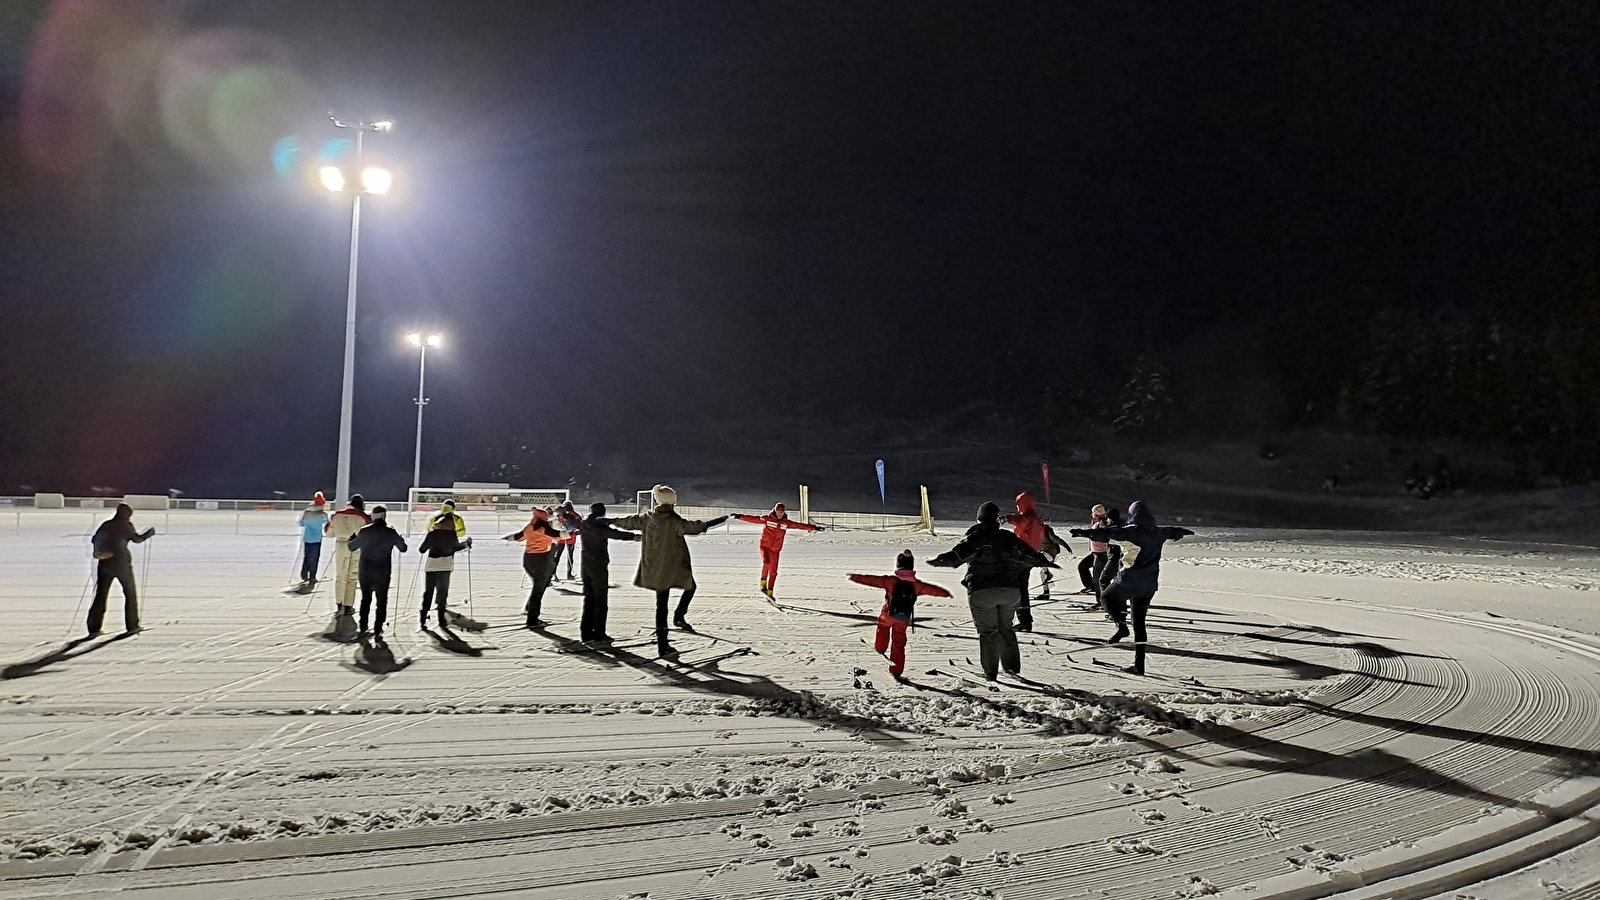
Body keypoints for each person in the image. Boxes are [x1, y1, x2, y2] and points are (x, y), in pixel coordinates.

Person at [930, 502, 1057, 680]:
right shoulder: (1008, 537)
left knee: (988, 631)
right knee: (1006, 627)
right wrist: (1045, 562)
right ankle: (1011, 667)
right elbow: (1028, 555)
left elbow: (957, 556)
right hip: (1010, 590)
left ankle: (990, 672)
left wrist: (938, 561)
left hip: (982, 591)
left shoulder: (975, 537)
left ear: (979, 519)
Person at [1070, 500, 1193, 675]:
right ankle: (1139, 665)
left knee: (1106, 598)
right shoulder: (1158, 531)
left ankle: (1121, 626)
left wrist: (1085, 533)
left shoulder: (1131, 531)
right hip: (1149, 585)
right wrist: (1183, 531)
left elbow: (1107, 534)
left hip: (1128, 580)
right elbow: (1173, 531)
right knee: (1139, 625)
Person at [610, 484, 728, 656]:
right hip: (672, 565)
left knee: (663, 603)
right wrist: (710, 523)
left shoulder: (647, 518)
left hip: (654, 566)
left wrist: (610, 521)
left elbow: (628, 522)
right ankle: (666, 639)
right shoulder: (673, 521)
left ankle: (670, 631)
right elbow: (692, 528)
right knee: (685, 590)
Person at [848, 550, 951, 680]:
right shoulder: (917, 585)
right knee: (899, 641)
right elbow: (933, 590)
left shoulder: (890, 581)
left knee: (883, 627)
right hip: (904, 618)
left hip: (888, 615)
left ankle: (880, 647)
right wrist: (946, 593)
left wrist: (855, 577)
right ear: (912, 567)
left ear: (898, 566)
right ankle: (896, 670)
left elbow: (872, 580)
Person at [577, 502, 642, 643]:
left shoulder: (584, 524)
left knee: (589, 598)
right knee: (600, 600)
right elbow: (615, 534)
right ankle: (599, 633)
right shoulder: (599, 527)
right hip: (598, 565)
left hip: (586, 564)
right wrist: (635, 537)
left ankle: (586, 632)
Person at [86, 503, 154, 636]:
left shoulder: (106, 525)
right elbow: (136, 539)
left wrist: (100, 552)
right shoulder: (126, 525)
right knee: (129, 594)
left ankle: (93, 628)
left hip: (104, 564)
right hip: (121, 564)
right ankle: (132, 625)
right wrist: (149, 534)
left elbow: (94, 539)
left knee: (100, 596)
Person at [1002, 492, 1067, 629]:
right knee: (1021, 588)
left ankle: (1020, 619)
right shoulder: (1035, 518)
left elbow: (1021, 521)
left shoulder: (1028, 517)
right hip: (1029, 556)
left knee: (1017, 588)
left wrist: (1007, 518)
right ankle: (1024, 619)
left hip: (1020, 557)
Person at [733, 502, 822, 598]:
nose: (780, 514)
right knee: (766, 563)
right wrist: (739, 516)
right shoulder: (767, 519)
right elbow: (754, 519)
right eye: (778, 511)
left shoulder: (786, 523)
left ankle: (770, 593)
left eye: (782, 512)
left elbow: (799, 525)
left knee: (773, 571)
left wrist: (814, 527)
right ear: (775, 511)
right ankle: (763, 583)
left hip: (776, 550)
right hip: (765, 547)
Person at [348, 505, 407, 637]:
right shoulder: (391, 532)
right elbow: (403, 549)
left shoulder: (364, 531)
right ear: (385, 516)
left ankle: (363, 626)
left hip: (365, 570)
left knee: (365, 599)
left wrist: (352, 538)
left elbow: (351, 547)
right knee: (381, 600)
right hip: (383, 571)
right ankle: (378, 628)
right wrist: (400, 539)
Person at [502, 508, 562, 629]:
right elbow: (558, 536)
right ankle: (532, 618)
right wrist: (574, 533)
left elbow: (518, 537)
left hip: (528, 561)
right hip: (541, 561)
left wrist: (507, 537)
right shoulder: (543, 528)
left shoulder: (529, 527)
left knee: (538, 586)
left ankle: (530, 608)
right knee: (538, 589)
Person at [325, 494, 371, 630]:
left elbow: (328, 533)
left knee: (340, 576)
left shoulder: (337, 515)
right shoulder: (363, 517)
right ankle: (348, 605)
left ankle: (339, 603)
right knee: (352, 577)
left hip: (340, 544)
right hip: (356, 546)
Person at [418, 515, 472, 629]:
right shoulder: (452, 535)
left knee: (428, 592)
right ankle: (441, 619)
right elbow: (456, 547)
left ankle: (422, 618)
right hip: (445, 567)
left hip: (431, 566)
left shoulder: (432, 534)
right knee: (442, 593)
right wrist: (466, 543)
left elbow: (422, 549)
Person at [1076, 504, 1121, 605]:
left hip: (1102, 554)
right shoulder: (1097, 522)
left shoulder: (1102, 523)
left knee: (1099, 579)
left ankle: (1101, 601)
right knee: (1082, 566)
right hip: (1095, 553)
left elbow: (1102, 535)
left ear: (1096, 514)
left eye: (1093, 513)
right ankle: (1090, 587)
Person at [295, 492, 329, 590]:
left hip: (307, 538)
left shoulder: (307, 513)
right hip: (317, 539)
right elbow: (327, 523)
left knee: (307, 556)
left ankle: (304, 573)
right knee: (315, 558)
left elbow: (301, 523)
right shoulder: (322, 515)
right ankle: (312, 577)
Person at [551, 500, 583, 580]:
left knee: (557, 556)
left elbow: (554, 525)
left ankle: (553, 573)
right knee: (570, 556)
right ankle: (569, 575)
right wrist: (576, 534)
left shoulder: (559, 515)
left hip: (561, 537)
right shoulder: (576, 515)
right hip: (571, 538)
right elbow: (581, 528)